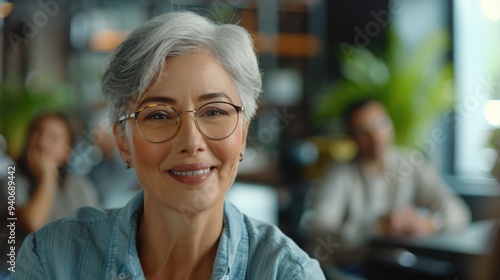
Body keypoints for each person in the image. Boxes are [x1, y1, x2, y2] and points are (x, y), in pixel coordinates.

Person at [14, 11, 325, 279]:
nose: (191, 142)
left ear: (243, 133)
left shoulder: (287, 272)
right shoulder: (53, 260)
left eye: (214, 112)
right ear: (123, 141)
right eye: (159, 115)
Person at [300, 99, 471, 269]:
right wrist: (377, 226)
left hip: (400, 265)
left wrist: (431, 223)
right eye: (363, 132)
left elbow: (458, 211)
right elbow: (318, 233)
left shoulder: (411, 163)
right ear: (351, 137)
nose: (376, 137)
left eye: (381, 124)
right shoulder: (339, 174)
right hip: (351, 267)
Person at [0, 112, 99, 277]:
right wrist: (47, 175)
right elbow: (33, 224)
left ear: (67, 153)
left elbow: (92, 238)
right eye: (37, 133)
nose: (42, 142)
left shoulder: (80, 187)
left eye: (53, 138)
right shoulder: (9, 181)